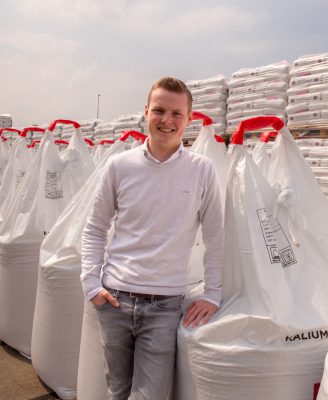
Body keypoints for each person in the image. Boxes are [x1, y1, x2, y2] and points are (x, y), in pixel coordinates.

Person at [81, 77, 224, 400]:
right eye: (159, 110)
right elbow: (95, 227)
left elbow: (215, 235)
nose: (167, 120)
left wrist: (213, 294)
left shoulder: (202, 170)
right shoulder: (119, 166)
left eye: (177, 113)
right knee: (117, 390)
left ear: (189, 118)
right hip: (115, 299)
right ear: (146, 112)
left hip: (164, 306)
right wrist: (91, 283)